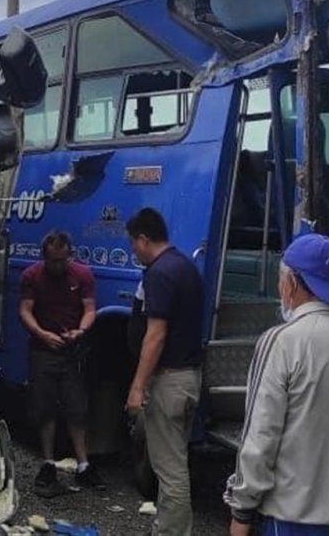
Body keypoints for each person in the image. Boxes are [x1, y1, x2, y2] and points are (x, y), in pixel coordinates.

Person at [224, 233, 329, 536]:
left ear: (290, 283)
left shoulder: (282, 341)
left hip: (296, 518)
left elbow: (261, 436)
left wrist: (242, 508)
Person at [124, 207, 204, 536]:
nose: (133, 251)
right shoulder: (185, 265)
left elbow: (155, 335)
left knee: (169, 469)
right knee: (175, 459)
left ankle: (172, 532)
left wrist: (137, 387)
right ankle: (165, 526)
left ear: (143, 239)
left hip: (169, 382)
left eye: (133, 244)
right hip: (189, 377)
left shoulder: (159, 272)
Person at [18, 230, 105, 496]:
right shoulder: (31, 276)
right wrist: (42, 334)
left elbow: (90, 308)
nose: (58, 266)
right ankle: (48, 462)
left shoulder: (82, 275)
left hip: (71, 349)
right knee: (44, 408)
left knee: (77, 407)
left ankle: (83, 464)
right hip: (43, 349)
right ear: (44, 257)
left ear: (69, 255)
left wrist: (81, 330)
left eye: (62, 260)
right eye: (53, 261)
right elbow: (25, 309)